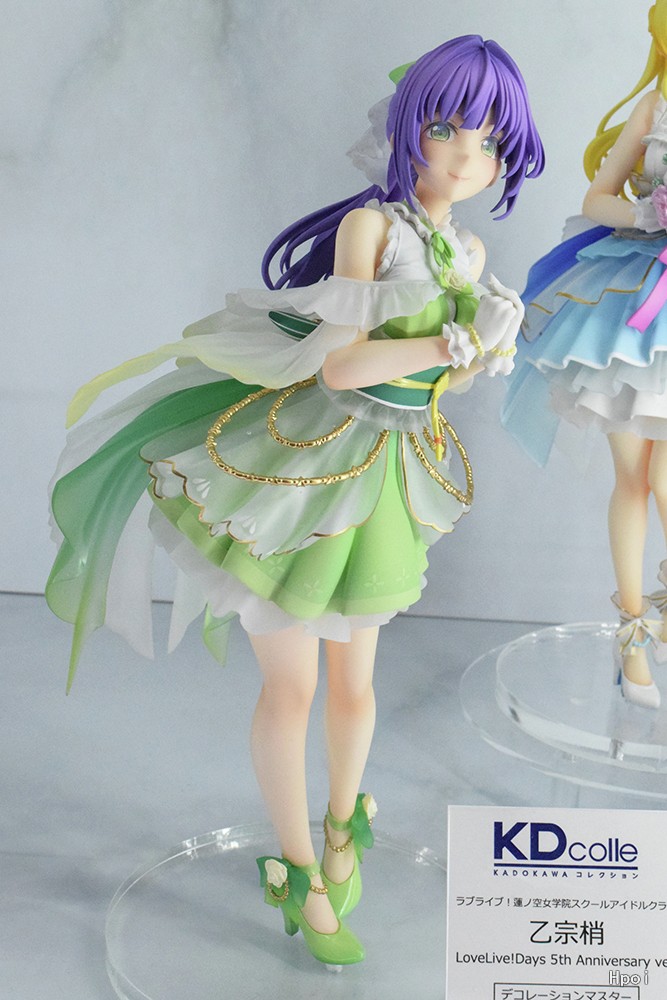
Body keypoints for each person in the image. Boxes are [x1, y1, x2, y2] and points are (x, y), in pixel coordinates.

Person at [47, 35, 543, 965]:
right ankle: (297, 869)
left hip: (386, 473)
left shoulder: (466, 250)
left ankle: (342, 826)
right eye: (446, 129)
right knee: (296, 683)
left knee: (355, 681)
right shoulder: (373, 230)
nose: (464, 158)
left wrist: (485, 351)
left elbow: (440, 384)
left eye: (488, 143)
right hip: (305, 463)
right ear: (409, 127)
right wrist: (451, 345)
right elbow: (341, 365)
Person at [502, 2, 667, 711]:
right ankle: (632, 634)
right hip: (629, 301)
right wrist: (648, 213)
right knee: (633, 475)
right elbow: (596, 198)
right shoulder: (655, 107)